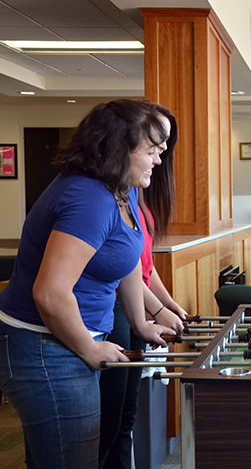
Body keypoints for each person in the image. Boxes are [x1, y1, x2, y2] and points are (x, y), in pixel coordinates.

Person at [0, 99, 176, 468]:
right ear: (118, 148)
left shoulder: (122, 187)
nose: (158, 161)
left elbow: (125, 260)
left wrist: (142, 321)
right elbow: (50, 292)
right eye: (151, 151)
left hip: (69, 338)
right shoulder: (90, 197)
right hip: (43, 346)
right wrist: (89, 348)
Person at [98, 101, 188, 469]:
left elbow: (143, 266)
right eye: (154, 144)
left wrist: (165, 306)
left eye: (164, 144)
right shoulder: (105, 196)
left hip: (136, 305)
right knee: (109, 421)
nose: (161, 152)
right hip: (118, 307)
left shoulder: (136, 195)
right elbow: (123, 269)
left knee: (125, 419)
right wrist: (152, 311)